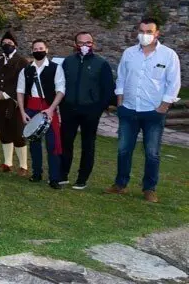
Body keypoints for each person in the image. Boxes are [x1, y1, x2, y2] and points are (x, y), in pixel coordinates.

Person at [106, 18, 181, 203]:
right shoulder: (129, 53)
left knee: (152, 152)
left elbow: (174, 83)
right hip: (129, 110)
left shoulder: (168, 55)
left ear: (157, 33)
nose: (144, 35)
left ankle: (149, 189)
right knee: (124, 150)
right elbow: (121, 78)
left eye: (149, 31)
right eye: (141, 31)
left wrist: (163, 107)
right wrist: (120, 102)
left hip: (153, 112)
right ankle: (120, 184)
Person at [60, 32, 115, 189]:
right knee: (66, 143)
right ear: (75, 44)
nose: (84, 45)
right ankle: (63, 175)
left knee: (88, 145)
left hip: (90, 111)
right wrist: (62, 104)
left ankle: (82, 178)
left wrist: (98, 108)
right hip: (69, 109)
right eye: (81, 42)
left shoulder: (101, 63)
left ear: (93, 44)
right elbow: (60, 84)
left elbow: (108, 89)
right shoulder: (68, 62)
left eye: (88, 42)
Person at [16, 39, 66, 189]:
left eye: (41, 48)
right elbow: (20, 91)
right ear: (32, 51)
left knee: (52, 144)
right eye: (35, 49)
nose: (38, 50)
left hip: (48, 108)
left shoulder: (56, 68)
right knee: (34, 143)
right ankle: (36, 173)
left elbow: (61, 90)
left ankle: (54, 178)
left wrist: (51, 109)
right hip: (31, 109)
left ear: (47, 50)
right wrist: (23, 111)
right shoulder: (26, 70)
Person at [0, 32, 29, 176]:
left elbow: (22, 83)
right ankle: (7, 163)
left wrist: (5, 94)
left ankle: (23, 166)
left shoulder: (22, 62)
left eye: (10, 43)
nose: (6, 45)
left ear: (15, 45)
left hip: (15, 102)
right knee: (4, 132)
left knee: (18, 133)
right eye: (4, 43)